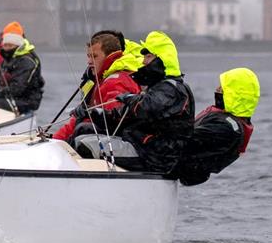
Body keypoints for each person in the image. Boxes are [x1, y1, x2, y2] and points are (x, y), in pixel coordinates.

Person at [74, 31, 195, 174]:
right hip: (143, 147)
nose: (143, 61)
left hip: (155, 155)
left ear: (162, 60)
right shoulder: (157, 87)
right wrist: (95, 113)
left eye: (148, 56)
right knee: (83, 136)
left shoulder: (172, 88)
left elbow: (146, 108)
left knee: (86, 145)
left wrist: (129, 98)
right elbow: (126, 116)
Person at [171, 68, 259, 186]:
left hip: (166, 166)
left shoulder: (226, 126)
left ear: (235, 94)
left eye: (223, 87)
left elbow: (179, 143)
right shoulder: (226, 120)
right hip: (171, 167)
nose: (217, 89)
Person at [53, 32, 140, 142]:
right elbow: (77, 120)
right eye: (88, 56)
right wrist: (55, 140)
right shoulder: (100, 80)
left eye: (94, 56)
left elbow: (112, 122)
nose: (89, 62)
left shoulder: (116, 81)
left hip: (118, 143)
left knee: (83, 129)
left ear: (111, 56)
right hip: (101, 138)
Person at [0, 31, 44, 114]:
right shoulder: (7, 60)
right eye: (5, 45)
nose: (7, 48)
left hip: (26, 101)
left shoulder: (27, 61)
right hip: (10, 98)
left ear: (18, 46)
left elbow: (17, 88)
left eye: (10, 45)